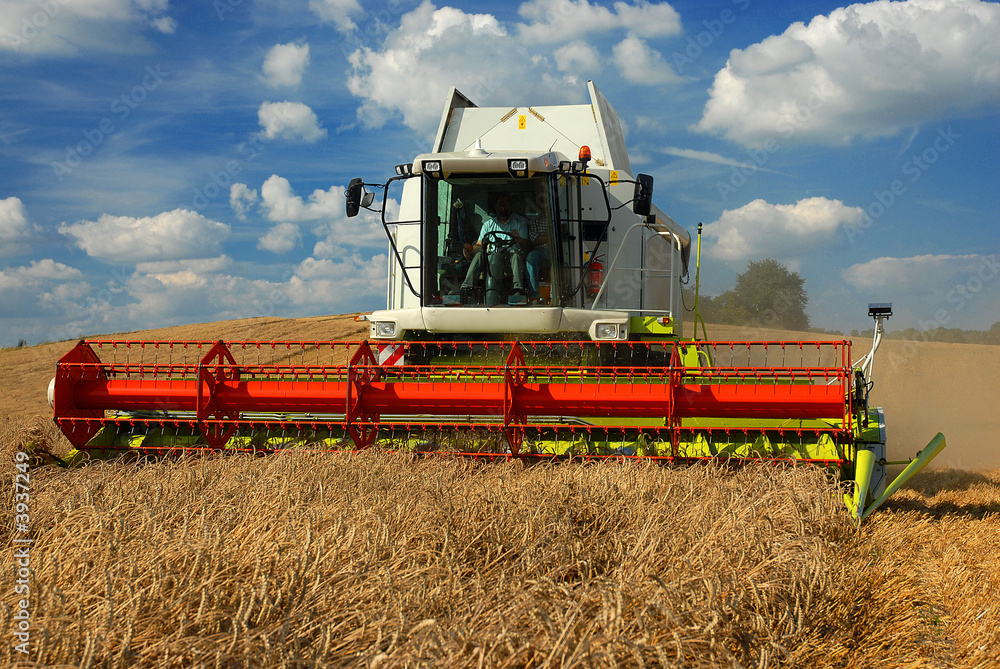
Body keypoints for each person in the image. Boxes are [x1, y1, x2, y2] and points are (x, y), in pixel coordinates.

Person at [461, 194, 529, 305]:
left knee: (515, 254)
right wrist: (470, 250)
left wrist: (518, 238)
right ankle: (467, 288)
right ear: (496, 207)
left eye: (506, 205)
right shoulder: (488, 225)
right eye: (501, 205)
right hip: (491, 258)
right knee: (479, 255)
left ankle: (518, 289)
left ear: (510, 206)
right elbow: (479, 245)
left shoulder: (519, 222)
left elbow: (526, 245)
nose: (503, 208)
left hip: (509, 259)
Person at [525, 216, 550, 304]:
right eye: (543, 201)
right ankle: (534, 297)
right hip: (540, 251)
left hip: (557, 251)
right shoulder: (535, 222)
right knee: (531, 259)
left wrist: (544, 238)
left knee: (563, 263)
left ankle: (555, 297)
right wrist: (553, 236)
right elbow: (536, 240)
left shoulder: (561, 218)